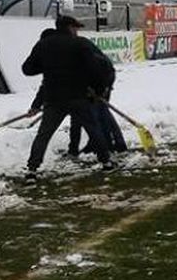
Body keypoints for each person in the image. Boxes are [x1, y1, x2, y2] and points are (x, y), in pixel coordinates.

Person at [21, 18, 115, 179]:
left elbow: (28, 69)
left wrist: (49, 67)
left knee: (43, 135)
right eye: (76, 28)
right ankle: (106, 162)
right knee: (93, 129)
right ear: (70, 27)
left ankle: (32, 169)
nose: (77, 31)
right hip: (78, 96)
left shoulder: (43, 44)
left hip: (53, 98)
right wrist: (99, 91)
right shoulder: (80, 43)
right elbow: (96, 68)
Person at [58, 17, 125, 156]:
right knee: (85, 115)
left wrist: (99, 89)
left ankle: (114, 145)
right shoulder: (71, 44)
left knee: (99, 114)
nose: (77, 31)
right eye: (75, 28)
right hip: (89, 84)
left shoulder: (80, 44)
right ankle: (82, 147)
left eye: (76, 28)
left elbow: (97, 67)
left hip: (101, 80)